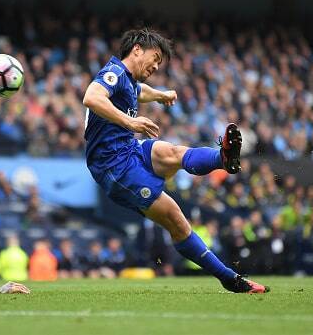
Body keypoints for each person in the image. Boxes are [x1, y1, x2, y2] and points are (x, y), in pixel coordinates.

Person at [82, 28, 268, 293]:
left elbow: (138, 91)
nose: (157, 65)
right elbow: (92, 96)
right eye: (155, 57)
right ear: (136, 49)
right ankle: (230, 278)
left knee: (172, 152)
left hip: (129, 149)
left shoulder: (128, 79)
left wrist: (159, 94)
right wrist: (129, 120)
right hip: (113, 166)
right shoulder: (111, 73)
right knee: (176, 219)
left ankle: (223, 158)